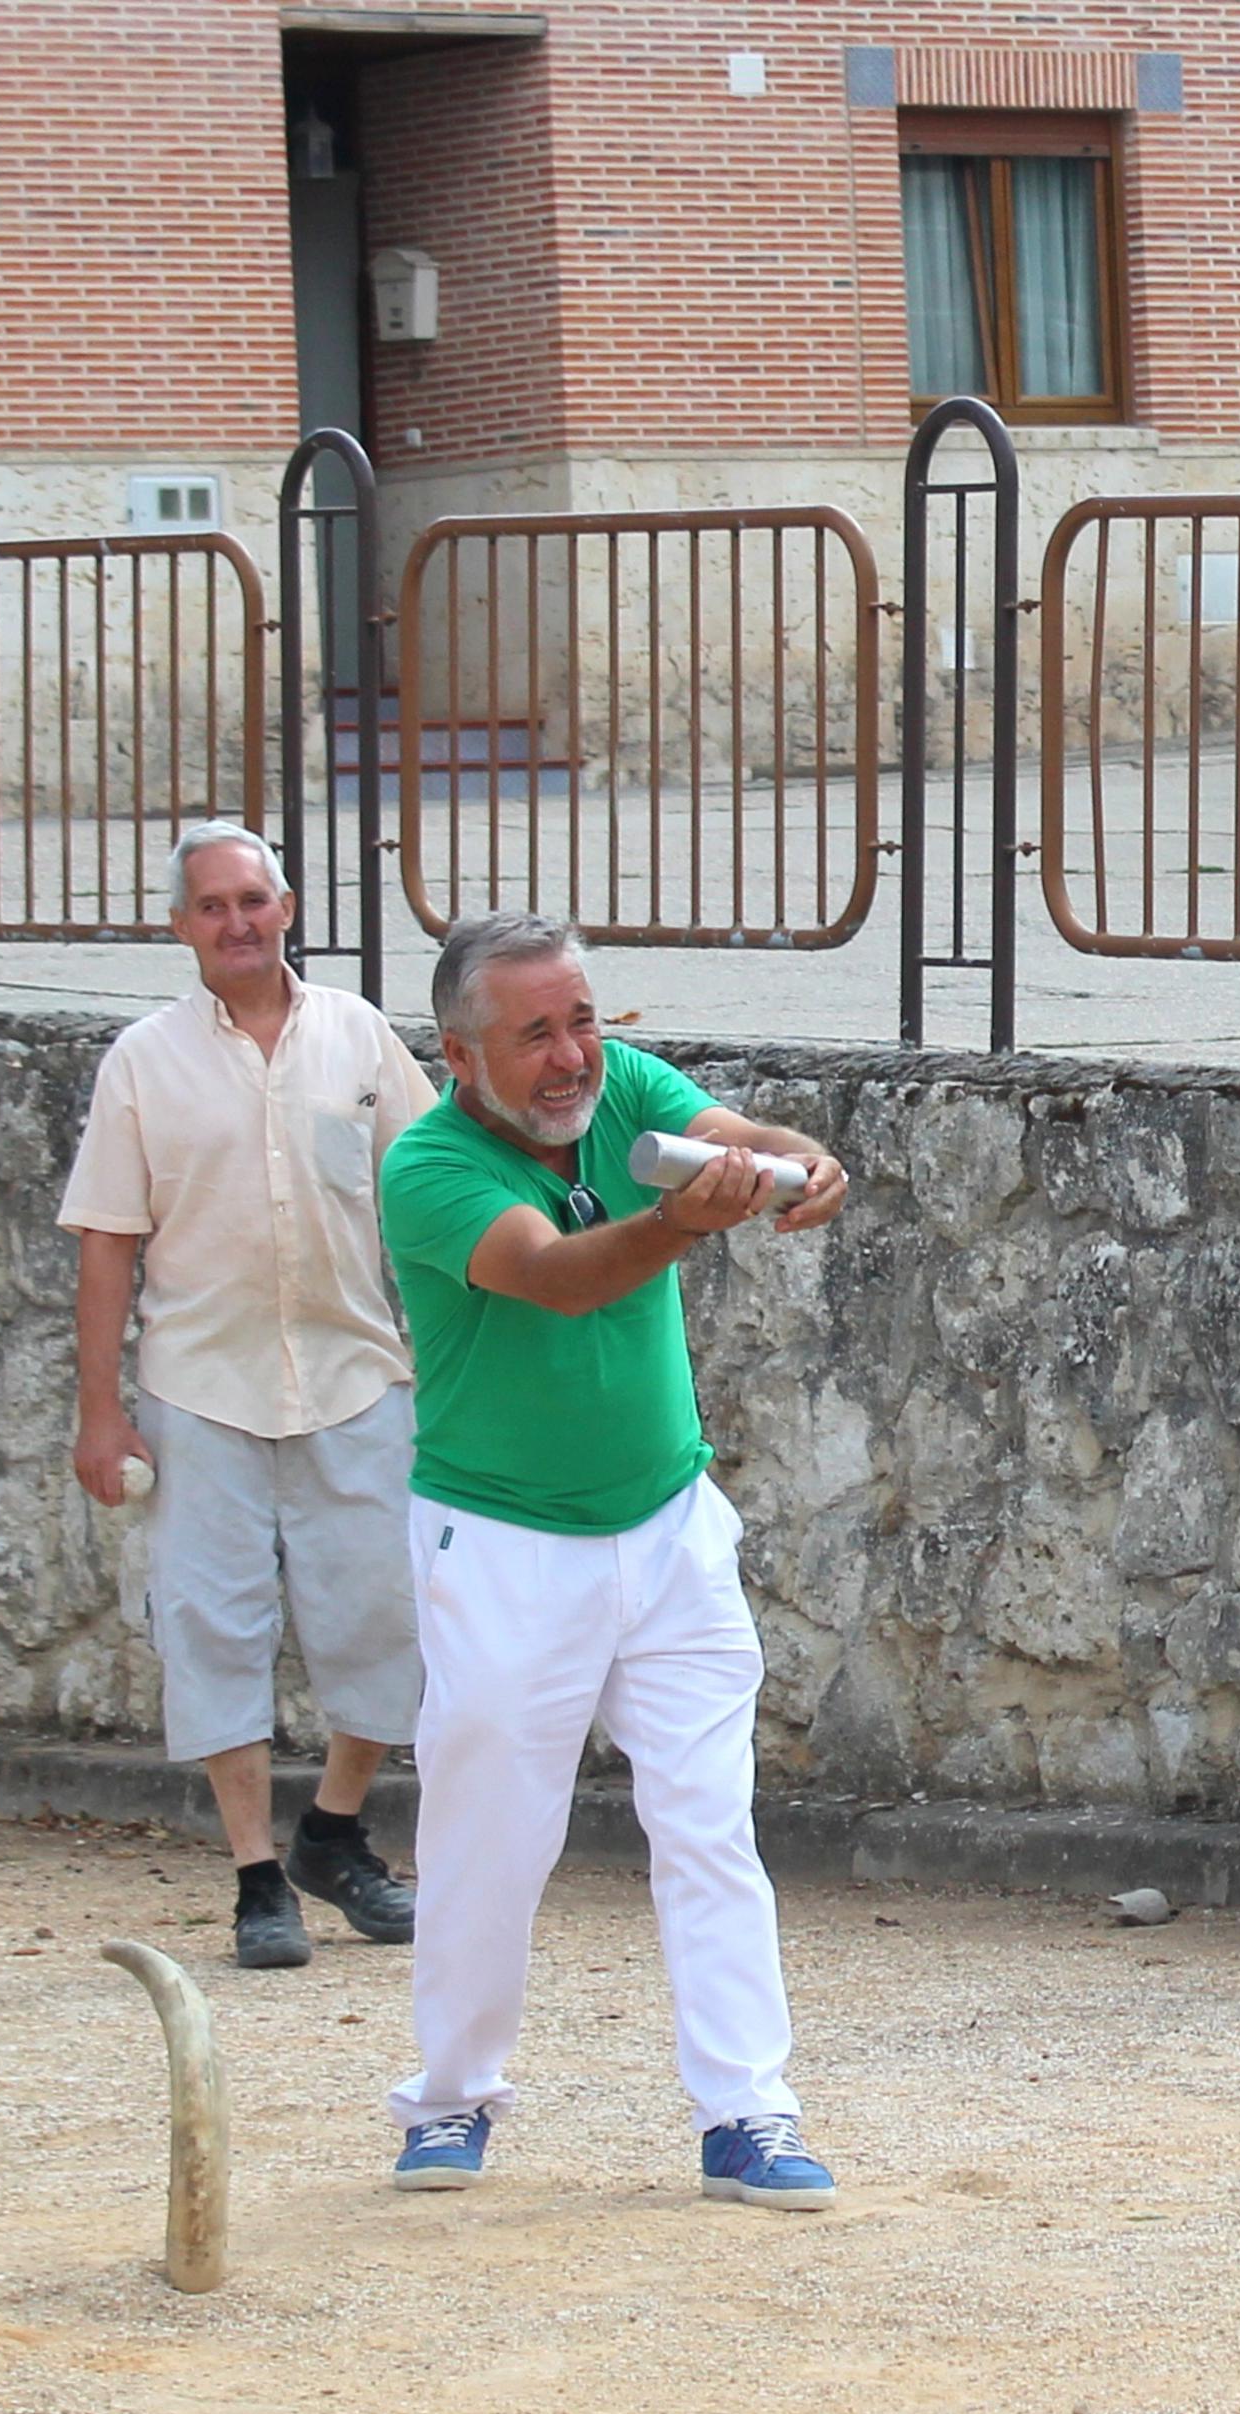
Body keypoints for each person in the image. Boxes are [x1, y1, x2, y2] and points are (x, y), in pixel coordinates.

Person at [376, 909, 851, 2209]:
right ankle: (448, 2098)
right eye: (531, 1032)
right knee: (490, 1838)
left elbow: (753, 1143)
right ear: (457, 1055)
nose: (569, 1054)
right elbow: (556, 1273)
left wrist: (806, 1169)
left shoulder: (626, 1090)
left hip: (666, 1523)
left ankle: (747, 2113)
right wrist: (685, 1224)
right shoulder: (423, 1168)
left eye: (579, 1018)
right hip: (502, 1547)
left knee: (709, 1823)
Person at [59, 822, 440, 1969]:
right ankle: (254, 1876)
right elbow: (106, 1246)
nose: (237, 922)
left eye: (253, 900)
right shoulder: (141, 1060)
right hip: (200, 1384)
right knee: (213, 1627)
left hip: (353, 1370)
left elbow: (427, 1193)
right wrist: (99, 1409)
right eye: (211, 906)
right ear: (181, 927)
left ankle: (332, 1827)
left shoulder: (357, 1037)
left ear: (286, 906)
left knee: (387, 1613)